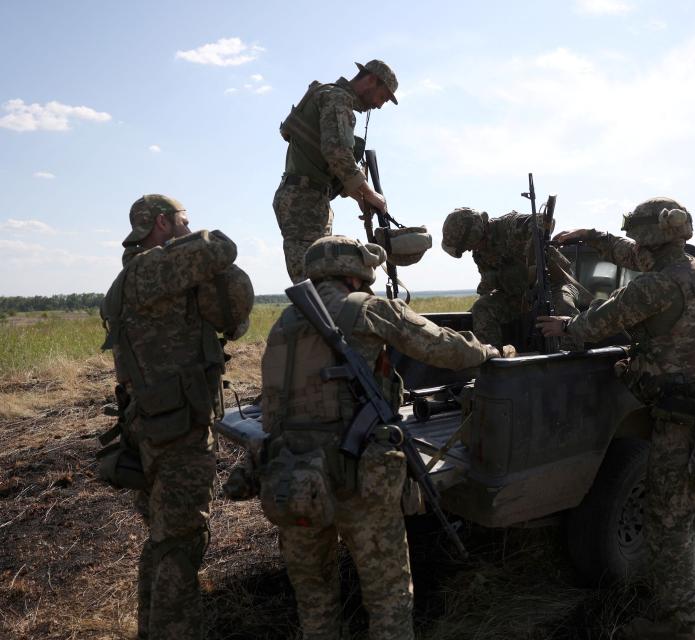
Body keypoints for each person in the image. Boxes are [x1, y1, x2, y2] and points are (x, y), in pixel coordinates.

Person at [259, 235, 513, 640]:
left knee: (314, 595)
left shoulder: (283, 323)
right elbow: (442, 348)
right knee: (388, 595)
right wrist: (487, 352)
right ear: (357, 271)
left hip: (295, 474)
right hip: (359, 474)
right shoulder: (368, 309)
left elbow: (271, 407)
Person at [538, 198, 695, 640]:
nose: (635, 247)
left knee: (670, 528)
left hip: (682, 427)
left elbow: (593, 325)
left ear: (647, 237)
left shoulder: (653, 287)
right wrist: (593, 238)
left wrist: (565, 327)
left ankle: (680, 626)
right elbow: (631, 256)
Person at [99, 195, 253, 639]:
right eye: (184, 221)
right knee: (182, 545)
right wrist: (199, 241)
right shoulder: (155, 267)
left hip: (146, 428)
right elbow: (222, 249)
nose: (190, 227)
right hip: (178, 431)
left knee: (163, 540)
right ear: (164, 223)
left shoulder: (126, 278)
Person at [275, 59, 399, 282]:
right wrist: (370, 194)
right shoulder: (337, 97)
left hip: (308, 199)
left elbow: (328, 161)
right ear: (371, 80)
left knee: (320, 281)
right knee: (313, 283)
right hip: (304, 201)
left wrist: (359, 197)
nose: (379, 105)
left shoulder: (331, 96)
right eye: (382, 97)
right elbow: (337, 152)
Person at [440, 206, 587, 349]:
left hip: (554, 284)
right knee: (482, 308)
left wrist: (532, 256)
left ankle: (573, 359)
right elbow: (487, 286)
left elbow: (545, 221)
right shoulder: (480, 254)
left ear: (476, 233)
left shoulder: (509, 225)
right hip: (519, 297)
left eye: (470, 245)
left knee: (563, 306)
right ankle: (491, 357)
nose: (471, 249)